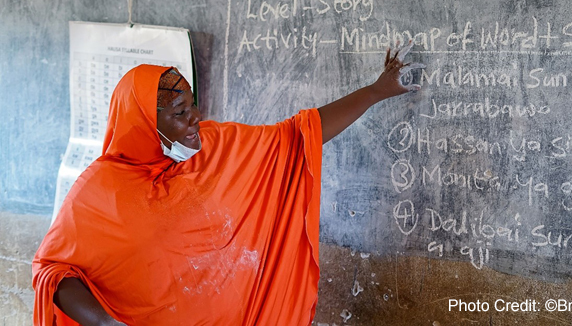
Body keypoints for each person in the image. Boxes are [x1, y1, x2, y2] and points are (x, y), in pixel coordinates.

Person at [33, 44, 422, 325]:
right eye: (179, 113)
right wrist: (106, 324)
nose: (195, 119)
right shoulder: (98, 191)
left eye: (192, 105)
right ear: (143, 126)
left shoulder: (217, 147)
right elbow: (52, 271)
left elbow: (297, 136)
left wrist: (377, 91)